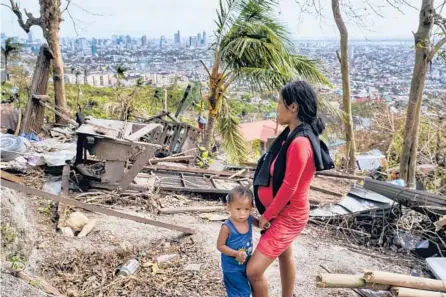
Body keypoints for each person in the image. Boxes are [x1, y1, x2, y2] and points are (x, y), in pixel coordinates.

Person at [247, 80, 334, 297]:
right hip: (282, 212)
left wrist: (267, 215)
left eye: (280, 103)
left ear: (293, 107)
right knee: (285, 255)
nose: (277, 109)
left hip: (288, 215)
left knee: (254, 271)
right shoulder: (292, 135)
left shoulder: (300, 143)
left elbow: (289, 187)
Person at [217, 186, 259, 297]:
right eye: (238, 209)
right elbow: (220, 246)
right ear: (229, 207)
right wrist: (235, 253)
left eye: (246, 209)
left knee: (239, 291)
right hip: (232, 268)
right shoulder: (227, 227)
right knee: (242, 292)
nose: (242, 214)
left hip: (245, 264)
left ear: (251, 208)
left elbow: (260, 224)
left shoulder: (249, 219)